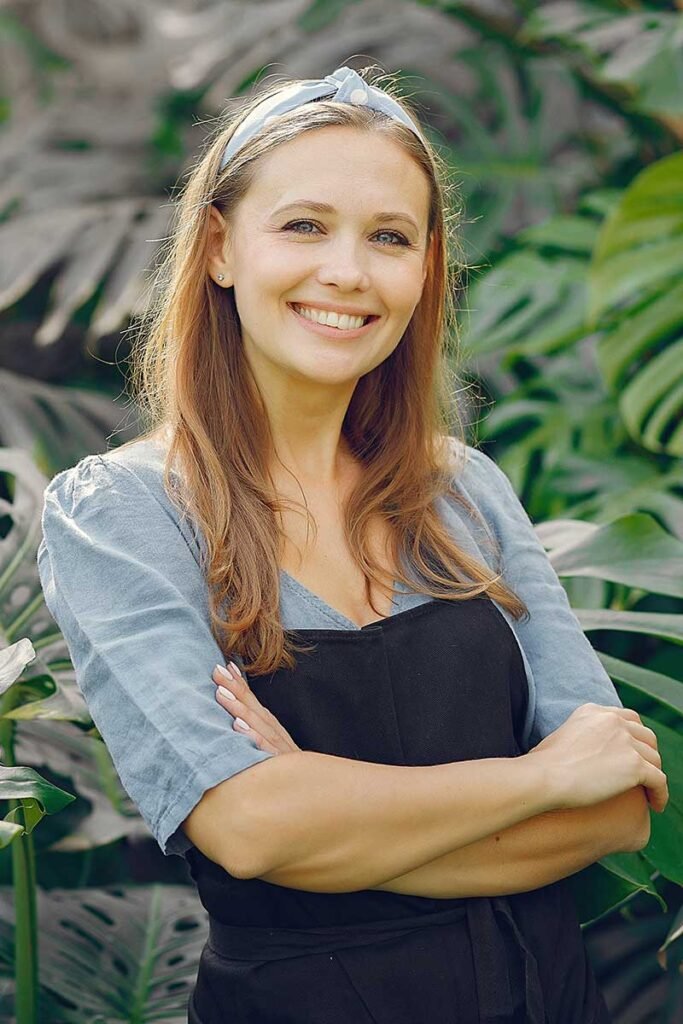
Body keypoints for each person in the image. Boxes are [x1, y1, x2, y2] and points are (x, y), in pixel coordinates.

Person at [37, 64, 668, 1024]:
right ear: (218, 248)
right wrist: (538, 781)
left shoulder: (466, 491)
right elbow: (248, 829)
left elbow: (617, 806)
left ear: (425, 268)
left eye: (388, 238)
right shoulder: (123, 513)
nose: (347, 272)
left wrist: (323, 822)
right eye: (303, 226)